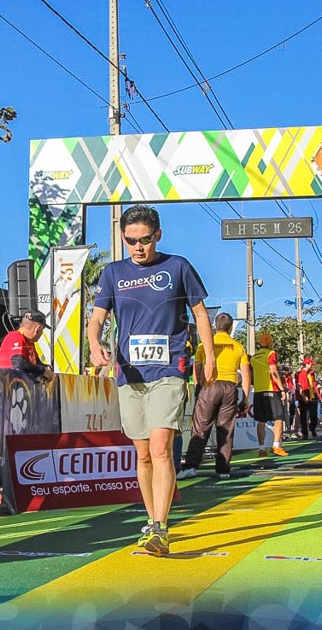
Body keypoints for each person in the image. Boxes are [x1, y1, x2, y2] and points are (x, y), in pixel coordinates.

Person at [87, 204, 214, 557]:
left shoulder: (178, 267)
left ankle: (160, 527)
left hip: (170, 370)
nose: (138, 247)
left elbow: (200, 313)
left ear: (157, 235)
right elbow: (96, 320)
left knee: (160, 448)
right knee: (142, 455)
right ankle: (152, 521)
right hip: (130, 375)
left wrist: (209, 355)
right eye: (131, 241)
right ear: (123, 239)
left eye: (144, 240)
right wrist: (95, 345)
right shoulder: (113, 273)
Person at [177, 313, 251, 480]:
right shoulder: (238, 347)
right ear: (230, 328)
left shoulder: (205, 346)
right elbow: (246, 375)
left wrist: (199, 388)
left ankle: (191, 466)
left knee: (201, 427)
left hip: (210, 386)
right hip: (230, 387)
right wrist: (245, 398)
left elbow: (196, 370)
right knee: (226, 429)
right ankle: (223, 469)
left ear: (215, 327)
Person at [250, 332, 290, 459]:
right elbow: (273, 372)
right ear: (270, 342)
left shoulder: (254, 357)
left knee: (261, 421)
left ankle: (261, 448)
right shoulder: (271, 354)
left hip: (258, 391)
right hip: (271, 389)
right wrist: (282, 389)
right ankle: (276, 446)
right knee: (279, 418)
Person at [0, 310, 54, 382]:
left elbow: (37, 363)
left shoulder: (29, 343)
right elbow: (18, 363)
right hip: (10, 386)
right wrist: (42, 370)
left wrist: (47, 368)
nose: (41, 333)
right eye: (42, 330)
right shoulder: (15, 336)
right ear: (37, 329)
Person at [295, 358, 320, 439]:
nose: (311, 366)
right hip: (303, 398)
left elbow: (314, 384)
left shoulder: (311, 373)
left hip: (312, 397)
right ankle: (305, 433)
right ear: (306, 364)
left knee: (313, 415)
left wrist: (318, 395)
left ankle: (312, 428)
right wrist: (303, 396)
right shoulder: (300, 374)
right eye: (310, 364)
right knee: (303, 417)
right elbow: (299, 386)